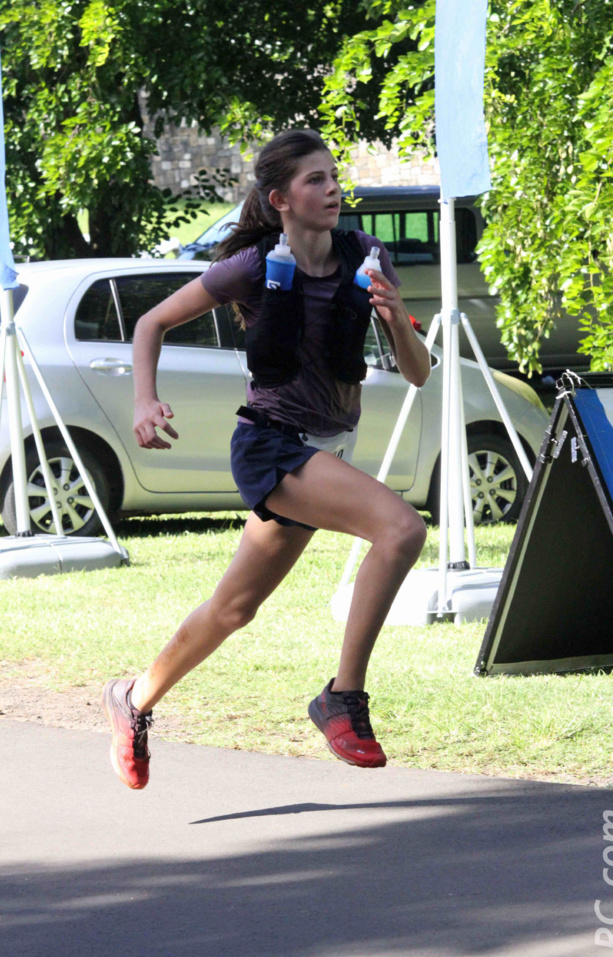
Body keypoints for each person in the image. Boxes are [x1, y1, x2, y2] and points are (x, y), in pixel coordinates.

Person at [102, 129, 431, 789]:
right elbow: (151, 323)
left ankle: (132, 699)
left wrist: (396, 319)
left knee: (233, 608)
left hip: (324, 449)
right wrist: (144, 400)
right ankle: (343, 697)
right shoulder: (252, 266)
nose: (333, 187)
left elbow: (418, 373)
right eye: (315, 179)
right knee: (401, 529)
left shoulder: (367, 257)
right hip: (271, 446)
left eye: (334, 175)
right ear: (279, 198)